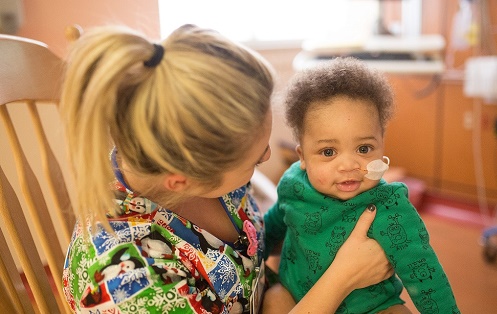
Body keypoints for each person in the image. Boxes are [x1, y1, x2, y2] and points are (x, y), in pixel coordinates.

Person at [59, 24, 394, 314]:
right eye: (253, 159)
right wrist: (343, 276)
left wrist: (286, 275)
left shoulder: (199, 169)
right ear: (182, 180)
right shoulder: (133, 283)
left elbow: (257, 249)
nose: (266, 156)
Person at [263, 57, 461, 314]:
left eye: (364, 148)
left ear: (382, 144)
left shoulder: (390, 207)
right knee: (274, 298)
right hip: (298, 298)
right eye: (328, 152)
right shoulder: (294, 186)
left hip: (372, 307)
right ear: (302, 157)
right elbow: (271, 227)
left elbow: (425, 275)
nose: (348, 165)